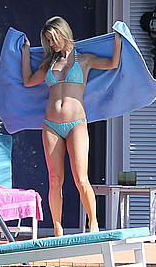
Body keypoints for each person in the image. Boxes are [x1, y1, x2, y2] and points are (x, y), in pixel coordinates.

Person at [21, 16, 122, 237]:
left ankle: (93, 223)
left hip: (76, 123)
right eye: (48, 40)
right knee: (55, 179)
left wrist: (118, 39)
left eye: (53, 38)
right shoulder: (49, 64)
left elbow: (113, 64)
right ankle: (58, 229)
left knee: (80, 178)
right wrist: (26, 51)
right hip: (51, 125)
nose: (52, 44)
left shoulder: (84, 60)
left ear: (63, 33)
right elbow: (28, 80)